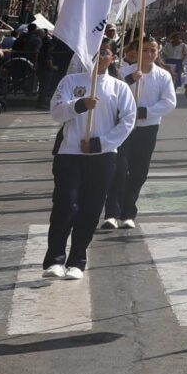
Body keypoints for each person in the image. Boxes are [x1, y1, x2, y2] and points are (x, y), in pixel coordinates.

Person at [43, 43, 138, 279]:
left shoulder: (119, 88)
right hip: (70, 154)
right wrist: (80, 105)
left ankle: (77, 260)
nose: (99, 56)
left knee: (91, 208)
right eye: (95, 52)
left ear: (113, 58)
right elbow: (55, 112)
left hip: (102, 156)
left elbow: (128, 121)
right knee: (65, 205)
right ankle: (55, 259)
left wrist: (100, 144)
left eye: (104, 52)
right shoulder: (71, 81)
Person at [103, 39, 178, 228]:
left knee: (139, 171)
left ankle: (128, 212)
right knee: (119, 169)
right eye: (145, 50)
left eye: (153, 50)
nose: (149, 54)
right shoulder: (125, 72)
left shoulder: (163, 75)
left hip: (148, 128)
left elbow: (169, 102)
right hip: (123, 127)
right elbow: (112, 96)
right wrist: (130, 81)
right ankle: (112, 212)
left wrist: (145, 111)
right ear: (136, 52)